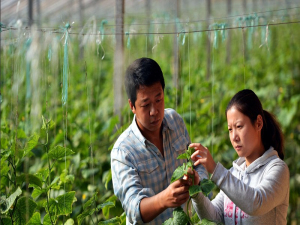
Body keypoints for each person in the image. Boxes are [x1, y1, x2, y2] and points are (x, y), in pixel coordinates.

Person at [111, 57, 208, 224]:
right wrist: (164, 199)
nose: (154, 111)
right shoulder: (123, 151)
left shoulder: (175, 121)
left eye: (158, 99)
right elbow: (133, 209)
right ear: (132, 106)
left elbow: (195, 163)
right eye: (145, 104)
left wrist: (198, 181)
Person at [189, 89, 289, 225]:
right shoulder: (234, 173)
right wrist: (196, 193)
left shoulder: (277, 169)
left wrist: (215, 169)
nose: (234, 137)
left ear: (258, 123)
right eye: (230, 129)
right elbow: (215, 218)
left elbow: (256, 203)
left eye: (239, 126)